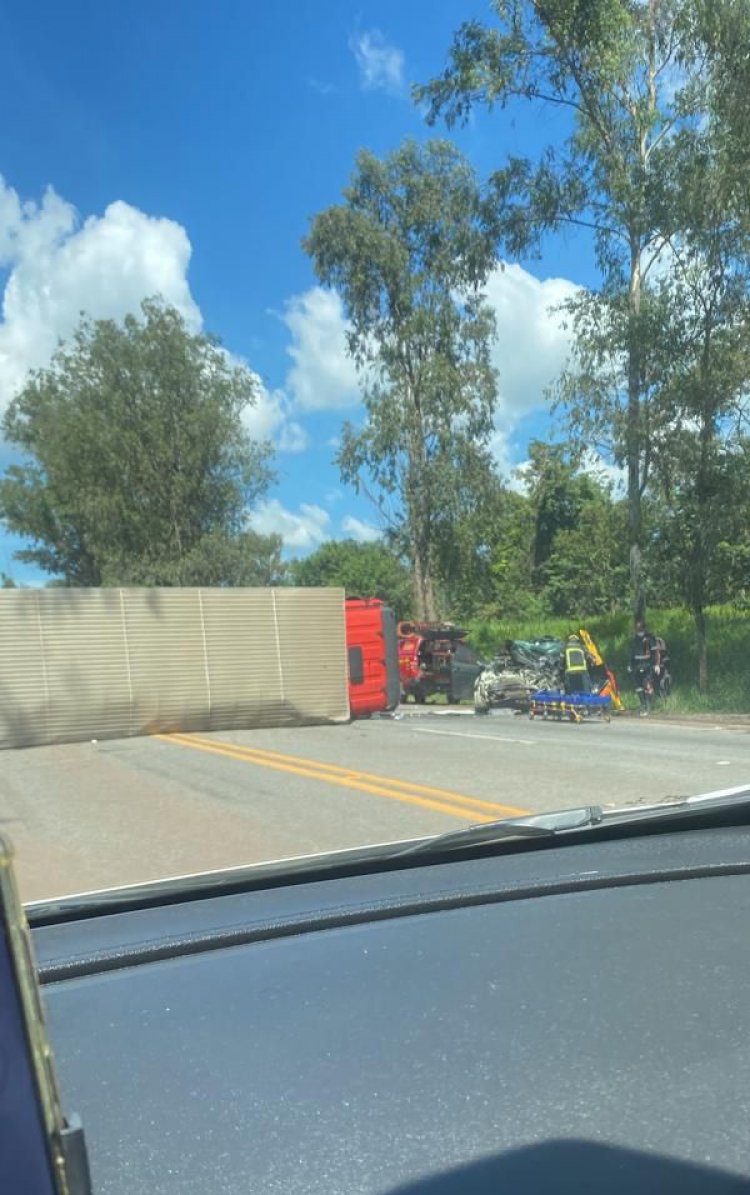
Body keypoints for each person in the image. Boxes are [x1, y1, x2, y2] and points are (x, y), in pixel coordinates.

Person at [630, 619, 658, 716]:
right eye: (637, 629)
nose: (639, 631)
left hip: (647, 666)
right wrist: (630, 665)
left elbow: (655, 653)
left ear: (644, 628)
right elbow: (632, 654)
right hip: (637, 666)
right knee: (638, 686)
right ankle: (643, 705)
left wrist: (656, 665)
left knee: (647, 685)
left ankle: (649, 705)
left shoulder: (650, 638)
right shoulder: (635, 639)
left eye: (640, 629)